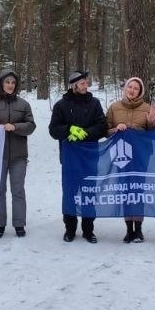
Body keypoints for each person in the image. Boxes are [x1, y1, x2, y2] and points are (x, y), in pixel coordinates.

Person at [49, 69, 108, 242]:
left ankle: (88, 229)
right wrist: (69, 129)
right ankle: (70, 228)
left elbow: (102, 126)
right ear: (74, 85)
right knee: (70, 192)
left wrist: (86, 133)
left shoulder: (94, 103)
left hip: (90, 156)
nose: (86, 86)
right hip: (70, 158)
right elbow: (53, 129)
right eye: (82, 83)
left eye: (86, 82)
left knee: (89, 191)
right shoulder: (61, 105)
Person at [105, 76, 155, 242]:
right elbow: (104, 130)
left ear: (140, 91)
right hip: (121, 157)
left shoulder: (147, 107)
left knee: (138, 190)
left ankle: (139, 229)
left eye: (136, 88)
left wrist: (151, 123)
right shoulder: (114, 107)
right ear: (125, 89)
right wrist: (115, 129)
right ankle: (129, 229)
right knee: (125, 190)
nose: (132, 90)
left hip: (141, 156)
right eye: (130, 87)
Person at [0, 68, 35, 238]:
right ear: (1, 83)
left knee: (18, 190)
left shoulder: (23, 105)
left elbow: (31, 126)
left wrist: (15, 127)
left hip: (19, 156)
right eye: (7, 82)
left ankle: (19, 224)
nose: (10, 85)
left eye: (13, 82)